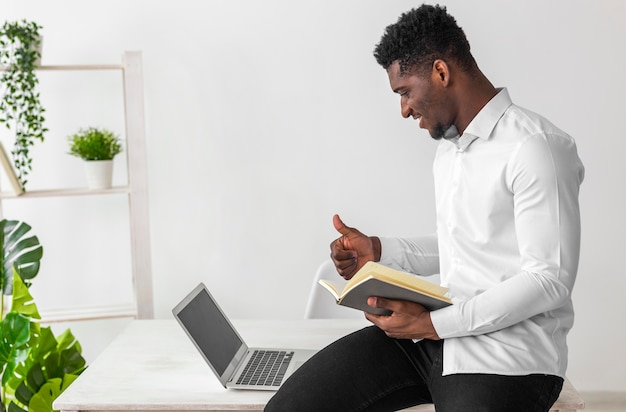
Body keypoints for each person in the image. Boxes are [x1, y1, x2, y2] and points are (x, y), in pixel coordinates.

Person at [265, 4, 584, 411]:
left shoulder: (536, 147)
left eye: (404, 91)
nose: (403, 109)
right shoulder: (450, 151)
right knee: (290, 407)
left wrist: (432, 323)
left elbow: (549, 279)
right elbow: (466, 244)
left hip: (509, 359)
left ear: (440, 72)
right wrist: (380, 251)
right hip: (433, 341)